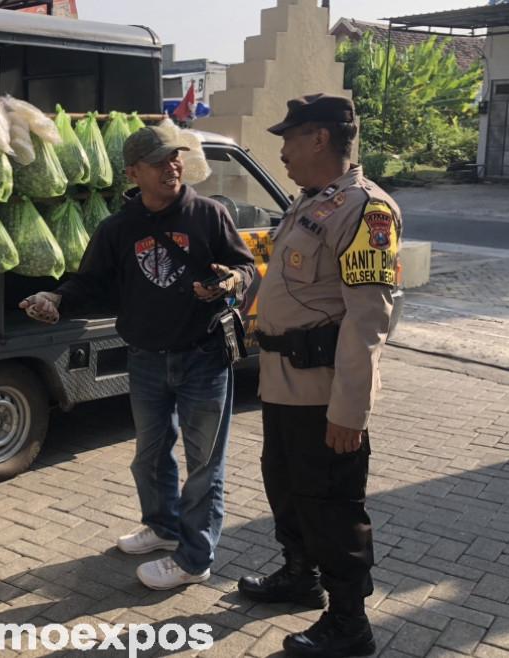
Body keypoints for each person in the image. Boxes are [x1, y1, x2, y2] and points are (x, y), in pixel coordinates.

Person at [20, 125, 255, 590]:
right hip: (146, 358)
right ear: (133, 173)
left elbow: (244, 266)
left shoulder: (209, 215)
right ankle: (164, 529)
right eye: (160, 161)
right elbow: (90, 283)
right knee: (148, 456)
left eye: (175, 158)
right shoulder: (118, 227)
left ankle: (194, 557)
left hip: (203, 356)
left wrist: (232, 282)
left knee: (204, 462)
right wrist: (56, 298)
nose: (172, 166)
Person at [237, 94, 401, 657]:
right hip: (283, 384)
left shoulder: (365, 210)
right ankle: (298, 576)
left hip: (324, 392)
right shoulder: (313, 202)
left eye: (289, 138)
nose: (281, 151)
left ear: (320, 139)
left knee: (331, 504)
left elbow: (368, 318)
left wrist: (349, 411)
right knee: (286, 487)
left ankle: (350, 626)